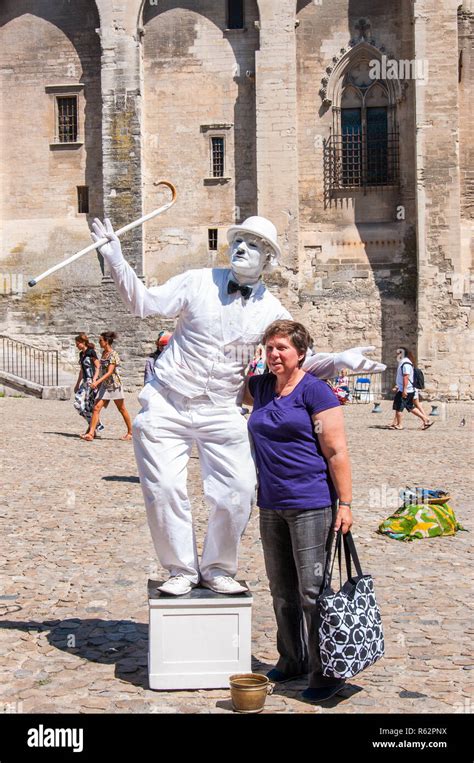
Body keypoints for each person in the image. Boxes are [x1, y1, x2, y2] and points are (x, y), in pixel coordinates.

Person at [90, 213, 383, 596]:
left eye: (254, 245)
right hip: (167, 401)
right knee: (163, 488)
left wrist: (338, 361)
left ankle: (217, 567)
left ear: (269, 260)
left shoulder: (273, 311)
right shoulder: (197, 281)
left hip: (222, 408)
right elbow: (142, 303)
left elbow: (295, 360)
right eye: (238, 242)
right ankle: (180, 568)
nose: (242, 249)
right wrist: (114, 256)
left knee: (239, 489)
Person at [243, 320, 353, 704]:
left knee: (312, 590)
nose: (274, 354)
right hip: (271, 503)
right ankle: (292, 658)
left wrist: (347, 504)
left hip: (311, 503)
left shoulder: (315, 391)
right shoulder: (259, 387)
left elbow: (336, 451)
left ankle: (328, 670)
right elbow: (229, 390)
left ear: (301, 352)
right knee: (281, 590)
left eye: (282, 349)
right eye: (269, 348)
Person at [81, 331, 133, 442]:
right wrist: (96, 380)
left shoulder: (114, 354)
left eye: (101, 340)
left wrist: (97, 382)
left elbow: (110, 372)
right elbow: (100, 369)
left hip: (114, 385)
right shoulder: (103, 353)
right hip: (104, 386)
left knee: (122, 409)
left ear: (106, 341)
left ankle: (130, 432)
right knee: (96, 408)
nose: (99, 342)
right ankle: (91, 433)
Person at [388, 347, 433, 430]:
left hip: (406, 390)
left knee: (399, 407)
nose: (397, 355)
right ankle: (425, 419)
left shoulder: (406, 364)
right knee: (410, 407)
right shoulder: (404, 363)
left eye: (398, 353)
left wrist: (404, 389)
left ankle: (399, 424)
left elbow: (406, 377)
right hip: (405, 389)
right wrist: (398, 385)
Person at [73, 333, 104, 436]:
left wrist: (95, 380)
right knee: (78, 404)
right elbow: (82, 371)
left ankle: (91, 430)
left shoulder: (91, 352)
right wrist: (77, 384)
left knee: (88, 406)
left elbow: (97, 366)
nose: (77, 346)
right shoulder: (81, 354)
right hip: (85, 382)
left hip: (91, 381)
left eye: (78, 344)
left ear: (83, 342)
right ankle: (95, 425)